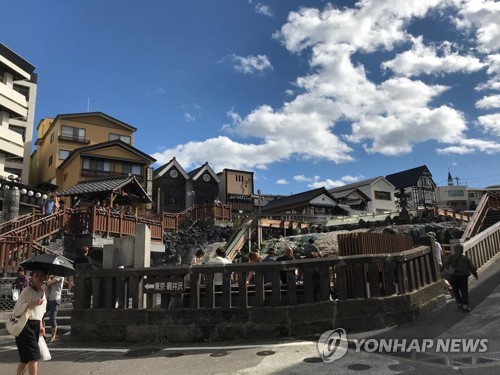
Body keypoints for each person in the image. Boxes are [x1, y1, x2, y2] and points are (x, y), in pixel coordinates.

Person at [13, 267, 47, 375]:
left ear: (45, 277)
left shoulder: (42, 292)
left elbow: (41, 311)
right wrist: (32, 303)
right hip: (25, 325)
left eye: (42, 275)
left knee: (25, 359)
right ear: (32, 277)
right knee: (34, 357)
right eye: (37, 275)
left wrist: (41, 325)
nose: (40, 277)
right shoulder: (27, 291)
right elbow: (17, 308)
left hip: (36, 324)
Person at [442, 243, 478, 312]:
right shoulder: (465, 258)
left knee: (455, 290)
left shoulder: (450, 257)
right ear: (461, 250)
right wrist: (475, 275)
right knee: (464, 290)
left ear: (454, 250)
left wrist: (443, 272)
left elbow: (444, 265)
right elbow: (472, 267)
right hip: (463, 276)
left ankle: (459, 303)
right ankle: (465, 305)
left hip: (453, 276)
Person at [45, 275, 64, 342]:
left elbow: (49, 283)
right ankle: (42, 334)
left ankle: (53, 336)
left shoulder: (59, 276)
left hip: (55, 299)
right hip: (49, 298)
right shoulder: (55, 277)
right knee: (42, 315)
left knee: (52, 317)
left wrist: (49, 278)